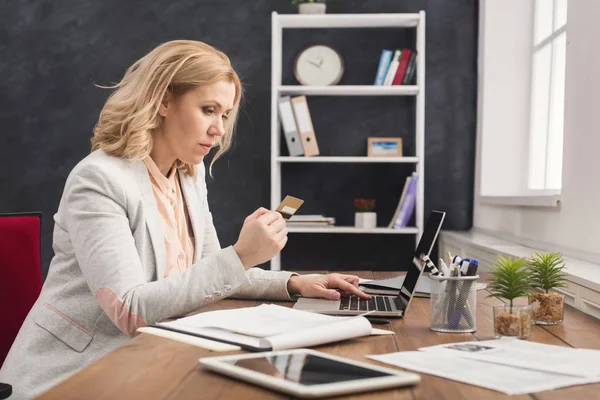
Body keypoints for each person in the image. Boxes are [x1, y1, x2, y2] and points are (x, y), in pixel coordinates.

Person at [0, 40, 371, 399]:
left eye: (224, 115)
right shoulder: (98, 180)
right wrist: (243, 254)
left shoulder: (187, 175)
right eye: (208, 110)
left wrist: (295, 283)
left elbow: (211, 272)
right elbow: (131, 310)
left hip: (151, 362)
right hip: (72, 377)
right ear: (163, 101)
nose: (219, 129)